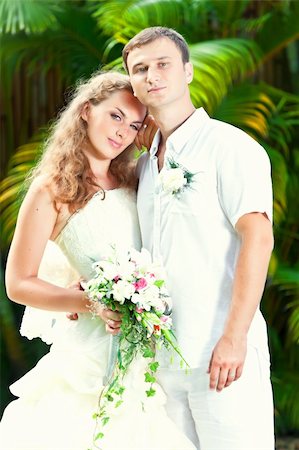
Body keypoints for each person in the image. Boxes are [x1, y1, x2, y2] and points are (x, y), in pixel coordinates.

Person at [0, 71, 196, 450]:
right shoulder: (52, 189)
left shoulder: (137, 180)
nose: (123, 132)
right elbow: (18, 283)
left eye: (134, 125)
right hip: (91, 353)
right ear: (87, 110)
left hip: (150, 351)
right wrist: (91, 300)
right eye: (116, 116)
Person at [122, 27, 275, 450]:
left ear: (187, 71)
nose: (151, 75)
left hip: (222, 353)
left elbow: (258, 239)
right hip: (162, 358)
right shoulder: (144, 166)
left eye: (162, 64)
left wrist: (234, 338)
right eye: (140, 69)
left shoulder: (229, 146)